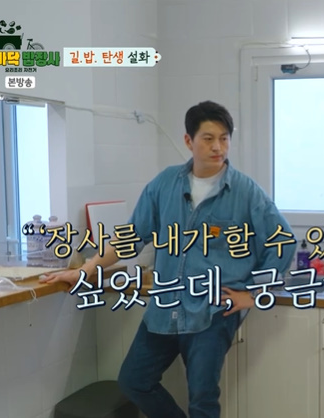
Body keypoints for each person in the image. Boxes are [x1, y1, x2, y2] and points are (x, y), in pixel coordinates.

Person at [41, 100, 296, 418]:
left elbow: (283, 241)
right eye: (208, 138)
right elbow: (131, 237)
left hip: (212, 312)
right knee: (134, 381)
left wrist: (253, 293)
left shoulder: (245, 191)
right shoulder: (165, 184)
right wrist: (85, 270)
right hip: (166, 307)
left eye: (224, 138)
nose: (218, 147)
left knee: (202, 400)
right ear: (189, 141)